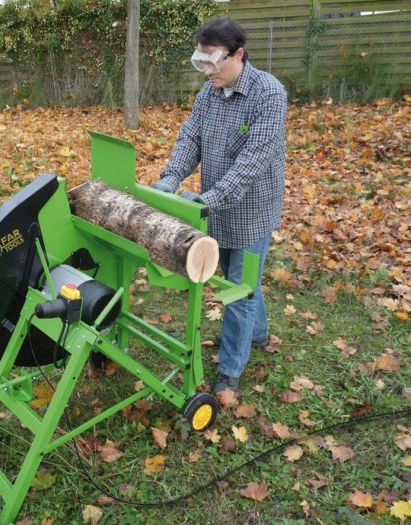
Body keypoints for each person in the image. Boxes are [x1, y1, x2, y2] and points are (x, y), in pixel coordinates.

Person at [151, 17, 287, 395]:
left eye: (213, 62)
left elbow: (251, 164)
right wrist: (171, 176)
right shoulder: (208, 93)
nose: (207, 71)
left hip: (250, 211)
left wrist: (206, 200)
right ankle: (257, 335)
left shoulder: (269, 94)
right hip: (214, 206)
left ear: (238, 55)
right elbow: (190, 137)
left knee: (239, 293)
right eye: (200, 62)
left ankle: (230, 371)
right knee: (236, 278)